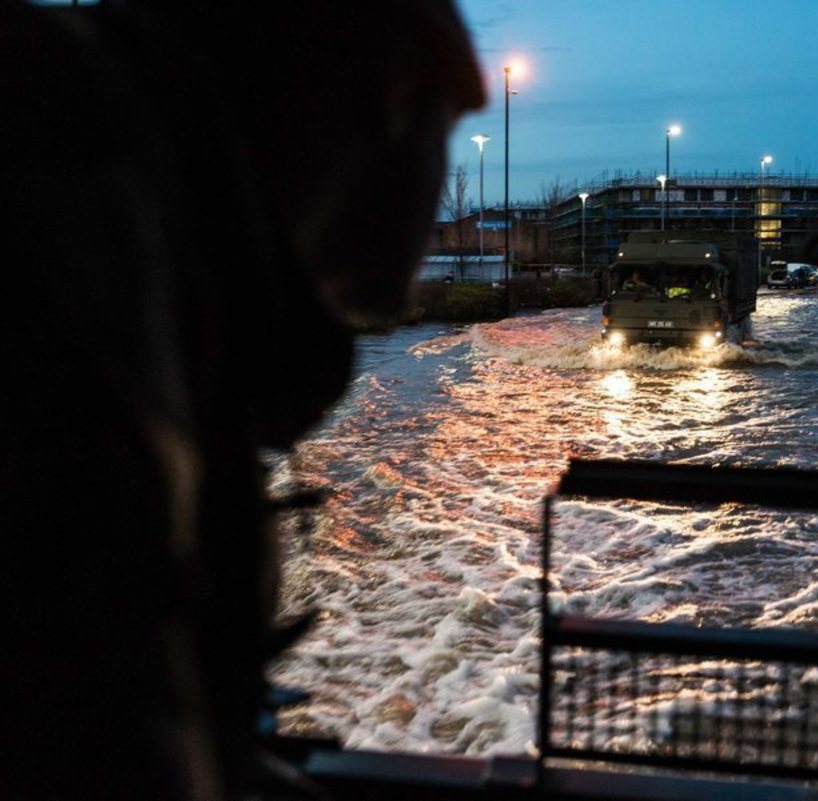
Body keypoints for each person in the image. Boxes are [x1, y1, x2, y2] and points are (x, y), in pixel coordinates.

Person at [0, 2, 484, 799]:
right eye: (450, 129)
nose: (440, 194)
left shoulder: (163, 249)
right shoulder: (80, 227)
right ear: (396, 97)